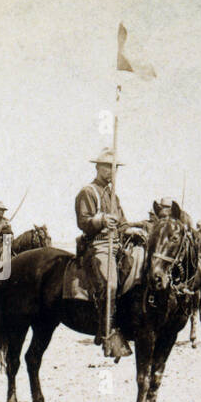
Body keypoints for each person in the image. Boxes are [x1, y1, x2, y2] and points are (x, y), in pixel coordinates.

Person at [75, 147, 130, 360]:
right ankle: (107, 334)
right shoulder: (89, 192)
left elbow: (122, 223)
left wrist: (131, 228)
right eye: (107, 167)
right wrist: (100, 221)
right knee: (111, 284)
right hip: (98, 245)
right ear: (98, 167)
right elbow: (83, 222)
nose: (111, 172)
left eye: (114, 168)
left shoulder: (113, 195)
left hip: (117, 244)